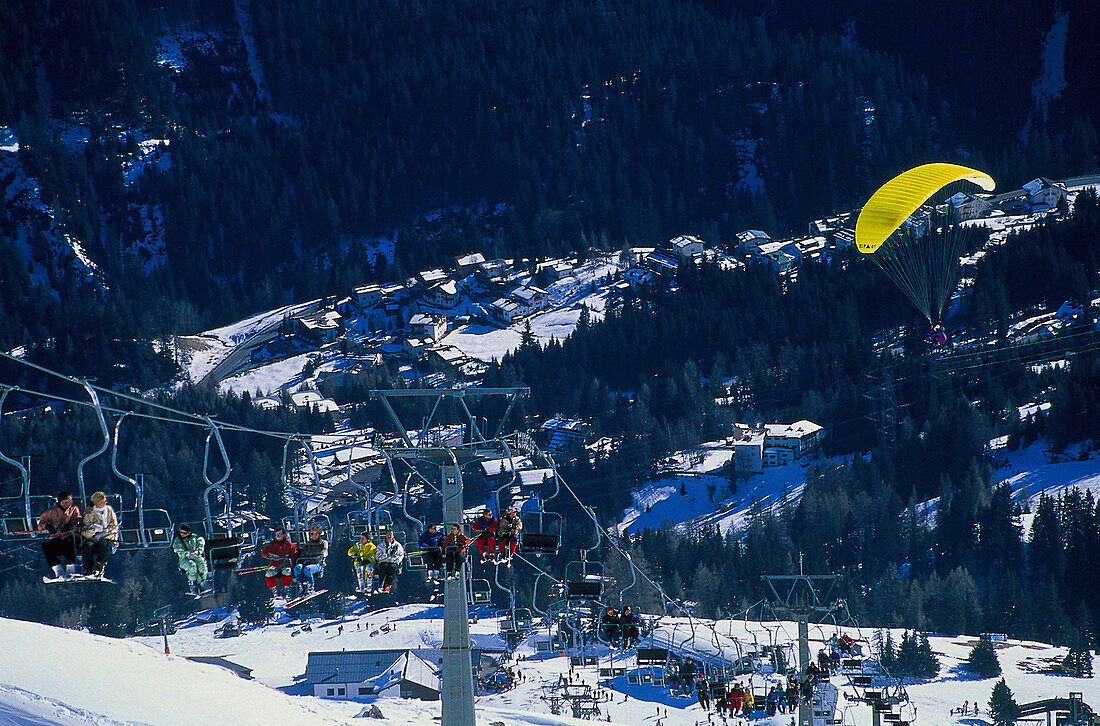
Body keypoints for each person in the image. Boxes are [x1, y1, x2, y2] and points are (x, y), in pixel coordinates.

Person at [38, 491, 81, 580]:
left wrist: (71, 526)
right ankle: (58, 570)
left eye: (70, 501)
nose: (69, 503)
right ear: (61, 502)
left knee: (69, 543)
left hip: (70, 536)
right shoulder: (52, 512)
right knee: (47, 547)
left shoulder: (73, 509)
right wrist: (47, 526)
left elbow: (78, 519)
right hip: (57, 537)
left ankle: (70, 570)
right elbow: (41, 522)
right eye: (66, 501)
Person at [81, 491, 119, 578]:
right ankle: (88, 569)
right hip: (94, 537)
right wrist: (93, 529)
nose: (105, 503)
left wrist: (107, 530)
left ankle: (100, 566)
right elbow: (86, 532)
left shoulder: (109, 510)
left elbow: (115, 525)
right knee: (88, 546)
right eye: (102, 502)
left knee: (104, 544)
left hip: (108, 536)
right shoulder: (89, 514)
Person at [171, 524, 208, 595]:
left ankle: (201, 583)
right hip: (184, 559)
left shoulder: (195, 538)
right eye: (181, 532)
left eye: (184, 533)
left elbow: (201, 544)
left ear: (189, 533)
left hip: (196, 556)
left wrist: (197, 551)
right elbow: (177, 550)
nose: (182, 534)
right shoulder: (178, 541)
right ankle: (193, 583)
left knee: (202, 566)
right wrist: (186, 554)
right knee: (192, 566)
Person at [261, 526, 297, 598]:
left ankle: (286, 589)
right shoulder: (272, 545)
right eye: (276, 535)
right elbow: (264, 553)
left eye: (279, 534)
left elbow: (294, 555)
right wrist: (270, 555)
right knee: (268, 573)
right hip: (275, 565)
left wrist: (290, 563)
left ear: (283, 535)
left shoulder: (289, 545)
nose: (277, 536)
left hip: (285, 565)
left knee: (287, 572)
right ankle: (275, 591)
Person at [294, 526, 328, 595]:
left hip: (318, 564)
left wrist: (317, 557)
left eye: (312, 534)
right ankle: (301, 586)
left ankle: (310, 587)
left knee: (308, 569)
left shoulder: (323, 543)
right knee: (297, 568)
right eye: (310, 534)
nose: (311, 536)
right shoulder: (308, 544)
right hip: (307, 562)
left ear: (317, 535)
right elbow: (303, 553)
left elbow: (324, 553)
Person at [375, 528, 405, 593]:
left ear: (393, 536)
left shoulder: (397, 545)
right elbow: (377, 555)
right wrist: (385, 557)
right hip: (384, 561)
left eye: (390, 535)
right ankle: (381, 584)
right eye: (388, 534)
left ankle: (388, 585)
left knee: (392, 568)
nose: (389, 536)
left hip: (393, 562)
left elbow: (401, 554)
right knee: (384, 567)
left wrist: (396, 560)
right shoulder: (381, 545)